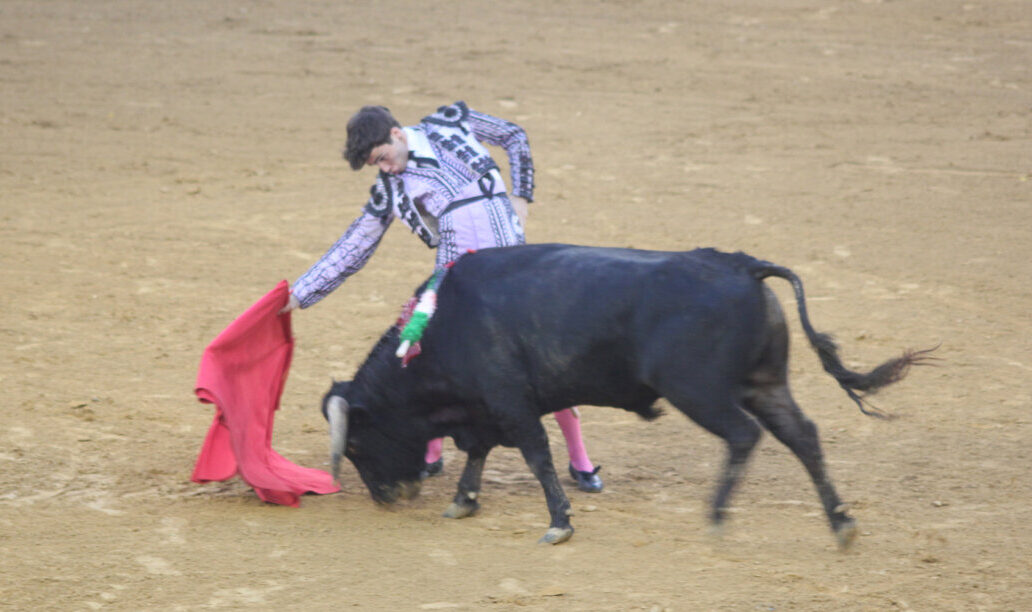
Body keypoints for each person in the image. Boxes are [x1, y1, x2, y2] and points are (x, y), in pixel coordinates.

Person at [281, 102, 603, 492]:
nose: (385, 169)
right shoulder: (390, 188)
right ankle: (431, 455)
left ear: (397, 135)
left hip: (511, 270)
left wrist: (523, 197)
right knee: (429, 358)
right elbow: (355, 245)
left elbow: (514, 136)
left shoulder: (449, 121)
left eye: (383, 157)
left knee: (540, 362)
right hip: (456, 281)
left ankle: (580, 459)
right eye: (375, 165)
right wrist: (299, 294)